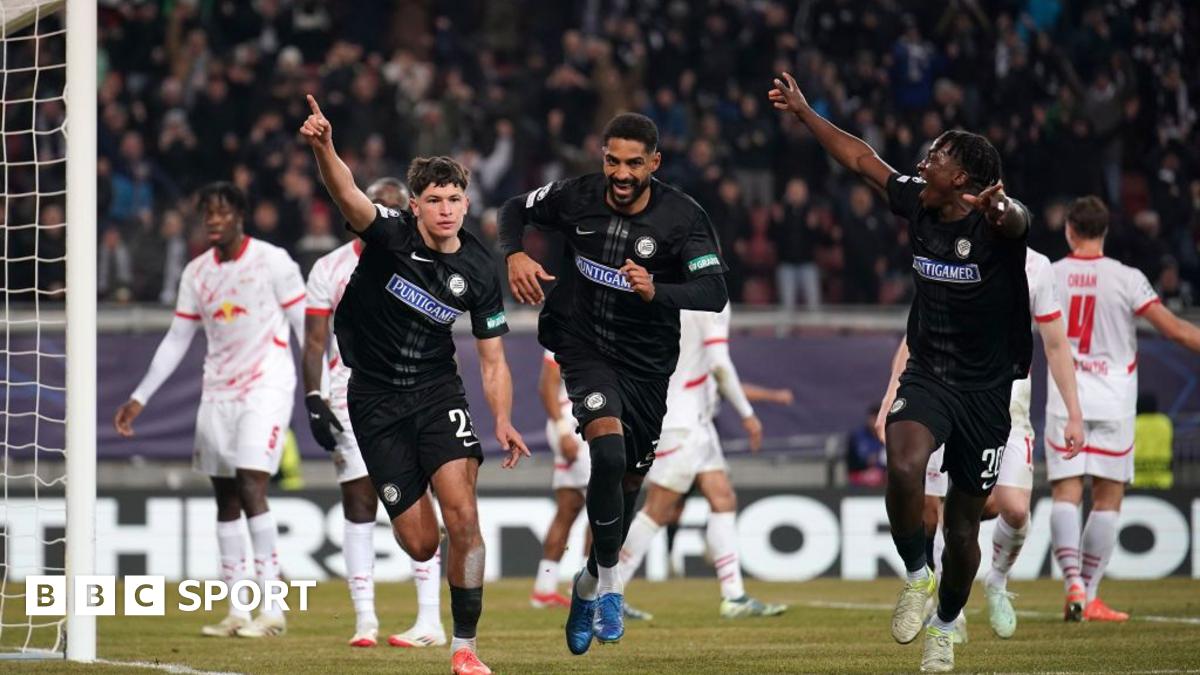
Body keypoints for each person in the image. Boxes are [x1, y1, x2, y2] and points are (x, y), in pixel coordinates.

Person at [769, 72, 1077, 673]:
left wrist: (1002, 206)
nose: (923, 162)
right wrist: (804, 113)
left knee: (963, 529)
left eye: (935, 157)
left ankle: (944, 624)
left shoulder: (995, 228)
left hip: (987, 391)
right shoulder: (920, 200)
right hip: (930, 372)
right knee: (904, 463)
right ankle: (916, 576)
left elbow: (1018, 220)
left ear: (960, 178)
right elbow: (861, 159)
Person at [300, 95, 530, 675]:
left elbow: (493, 359)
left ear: (466, 202)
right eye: (434, 200)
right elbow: (347, 194)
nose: (446, 210)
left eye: (454, 199)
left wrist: (503, 418)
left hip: (436, 393)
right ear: (415, 205)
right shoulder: (390, 235)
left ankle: (465, 648)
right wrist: (325, 148)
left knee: (464, 519)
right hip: (374, 401)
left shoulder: (480, 269)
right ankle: (417, 490)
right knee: (423, 543)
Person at [498, 112, 728, 654]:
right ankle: (611, 587)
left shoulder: (683, 217)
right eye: (612, 161)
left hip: (647, 365)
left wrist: (657, 291)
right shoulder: (576, 196)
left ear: (654, 162)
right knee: (606, 449)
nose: (621, 174)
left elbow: (714, 291)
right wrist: (514, 253)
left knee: (627, 485)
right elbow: (513, 209)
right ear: (602, 157)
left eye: (633, 164)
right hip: (584, 347)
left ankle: (586, 585)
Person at [114, 182, 306, 638]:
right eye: (208, 214)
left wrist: (327, 380)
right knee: (226, 498)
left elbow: (306, 325)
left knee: (252, 483)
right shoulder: (197, 273)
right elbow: (177, 338)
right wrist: (141, 396)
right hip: (217, 392)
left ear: (240, 215)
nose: (214, 220)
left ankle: (273, 609)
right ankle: (238, 610)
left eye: (222, 212)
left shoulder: (273, 261)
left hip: (267, 385)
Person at [878, 244, 1086, 641]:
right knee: (935, 508)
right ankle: (948, 613)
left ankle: (997, 581)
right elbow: (915, 334)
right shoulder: (952, 248)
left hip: (1007, 405)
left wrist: (1073, 412)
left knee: (1013, 508)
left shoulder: (1036, 266)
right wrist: (892, 393)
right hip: (945, 392)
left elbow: (1056, 344)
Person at [304, 177, 452, 648]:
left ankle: (430, 620)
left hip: (412, 391)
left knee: (420, 499)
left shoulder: (424, 261)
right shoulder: (328, 268)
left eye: (394, 208)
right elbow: (314, 341)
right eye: (376, 206)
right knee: (359, 501)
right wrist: (313, 397)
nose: (384, 215)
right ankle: (364, 618)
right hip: (348, 393)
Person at [1045, 196, 1200, 622]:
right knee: (1108, 496)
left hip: (1066, 396)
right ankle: (1090, 593)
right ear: (1105, 231)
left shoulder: (1050, 274)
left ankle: (1073, 583)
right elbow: (1175, 330)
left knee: (1066, 491)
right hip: (1113, 399)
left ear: (1069, 231)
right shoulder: (1127, 278)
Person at [617, 303, 788, 618]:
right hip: (684, 422)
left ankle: (734, 596)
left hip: (690, 419)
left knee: (722, 498)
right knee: (657, 510)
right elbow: (719, 364)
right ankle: (608, 593)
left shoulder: (667, 294)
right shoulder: (711, 300)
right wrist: (747, 414)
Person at [529, 350, 592, 610]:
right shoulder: (566, 330)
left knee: (568, 509)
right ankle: (590, 589)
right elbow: (547, 384)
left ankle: (544, 588)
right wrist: (563, 430)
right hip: (575, 423)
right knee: (605, 505)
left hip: (575, 420)